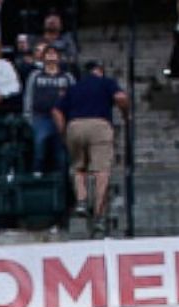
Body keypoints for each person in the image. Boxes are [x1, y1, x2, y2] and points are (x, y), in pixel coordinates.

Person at [54, 60, 129, 237]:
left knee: (78, 167)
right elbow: (121, 98)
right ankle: (99, 214)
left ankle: (81, 200)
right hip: (99, 125)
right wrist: (126, 114)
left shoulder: (73, 88)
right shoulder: (106, 82)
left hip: (75, 126)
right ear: (99, 70)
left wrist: (64, 132)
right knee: (101, 171)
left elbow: (56, 111)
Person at [23, 46, 74, 175]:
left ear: (58, 57)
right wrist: (28, 116)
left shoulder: (67, 77)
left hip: (62, 119)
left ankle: (60, 182)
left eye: (54, 53)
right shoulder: (35, 75)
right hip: (40, 117)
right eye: (48, 53)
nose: (51, 56)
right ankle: (37, 176)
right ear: (43, 57)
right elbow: (28, 96)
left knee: (60, 153)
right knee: (39, 147)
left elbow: (75, 96)